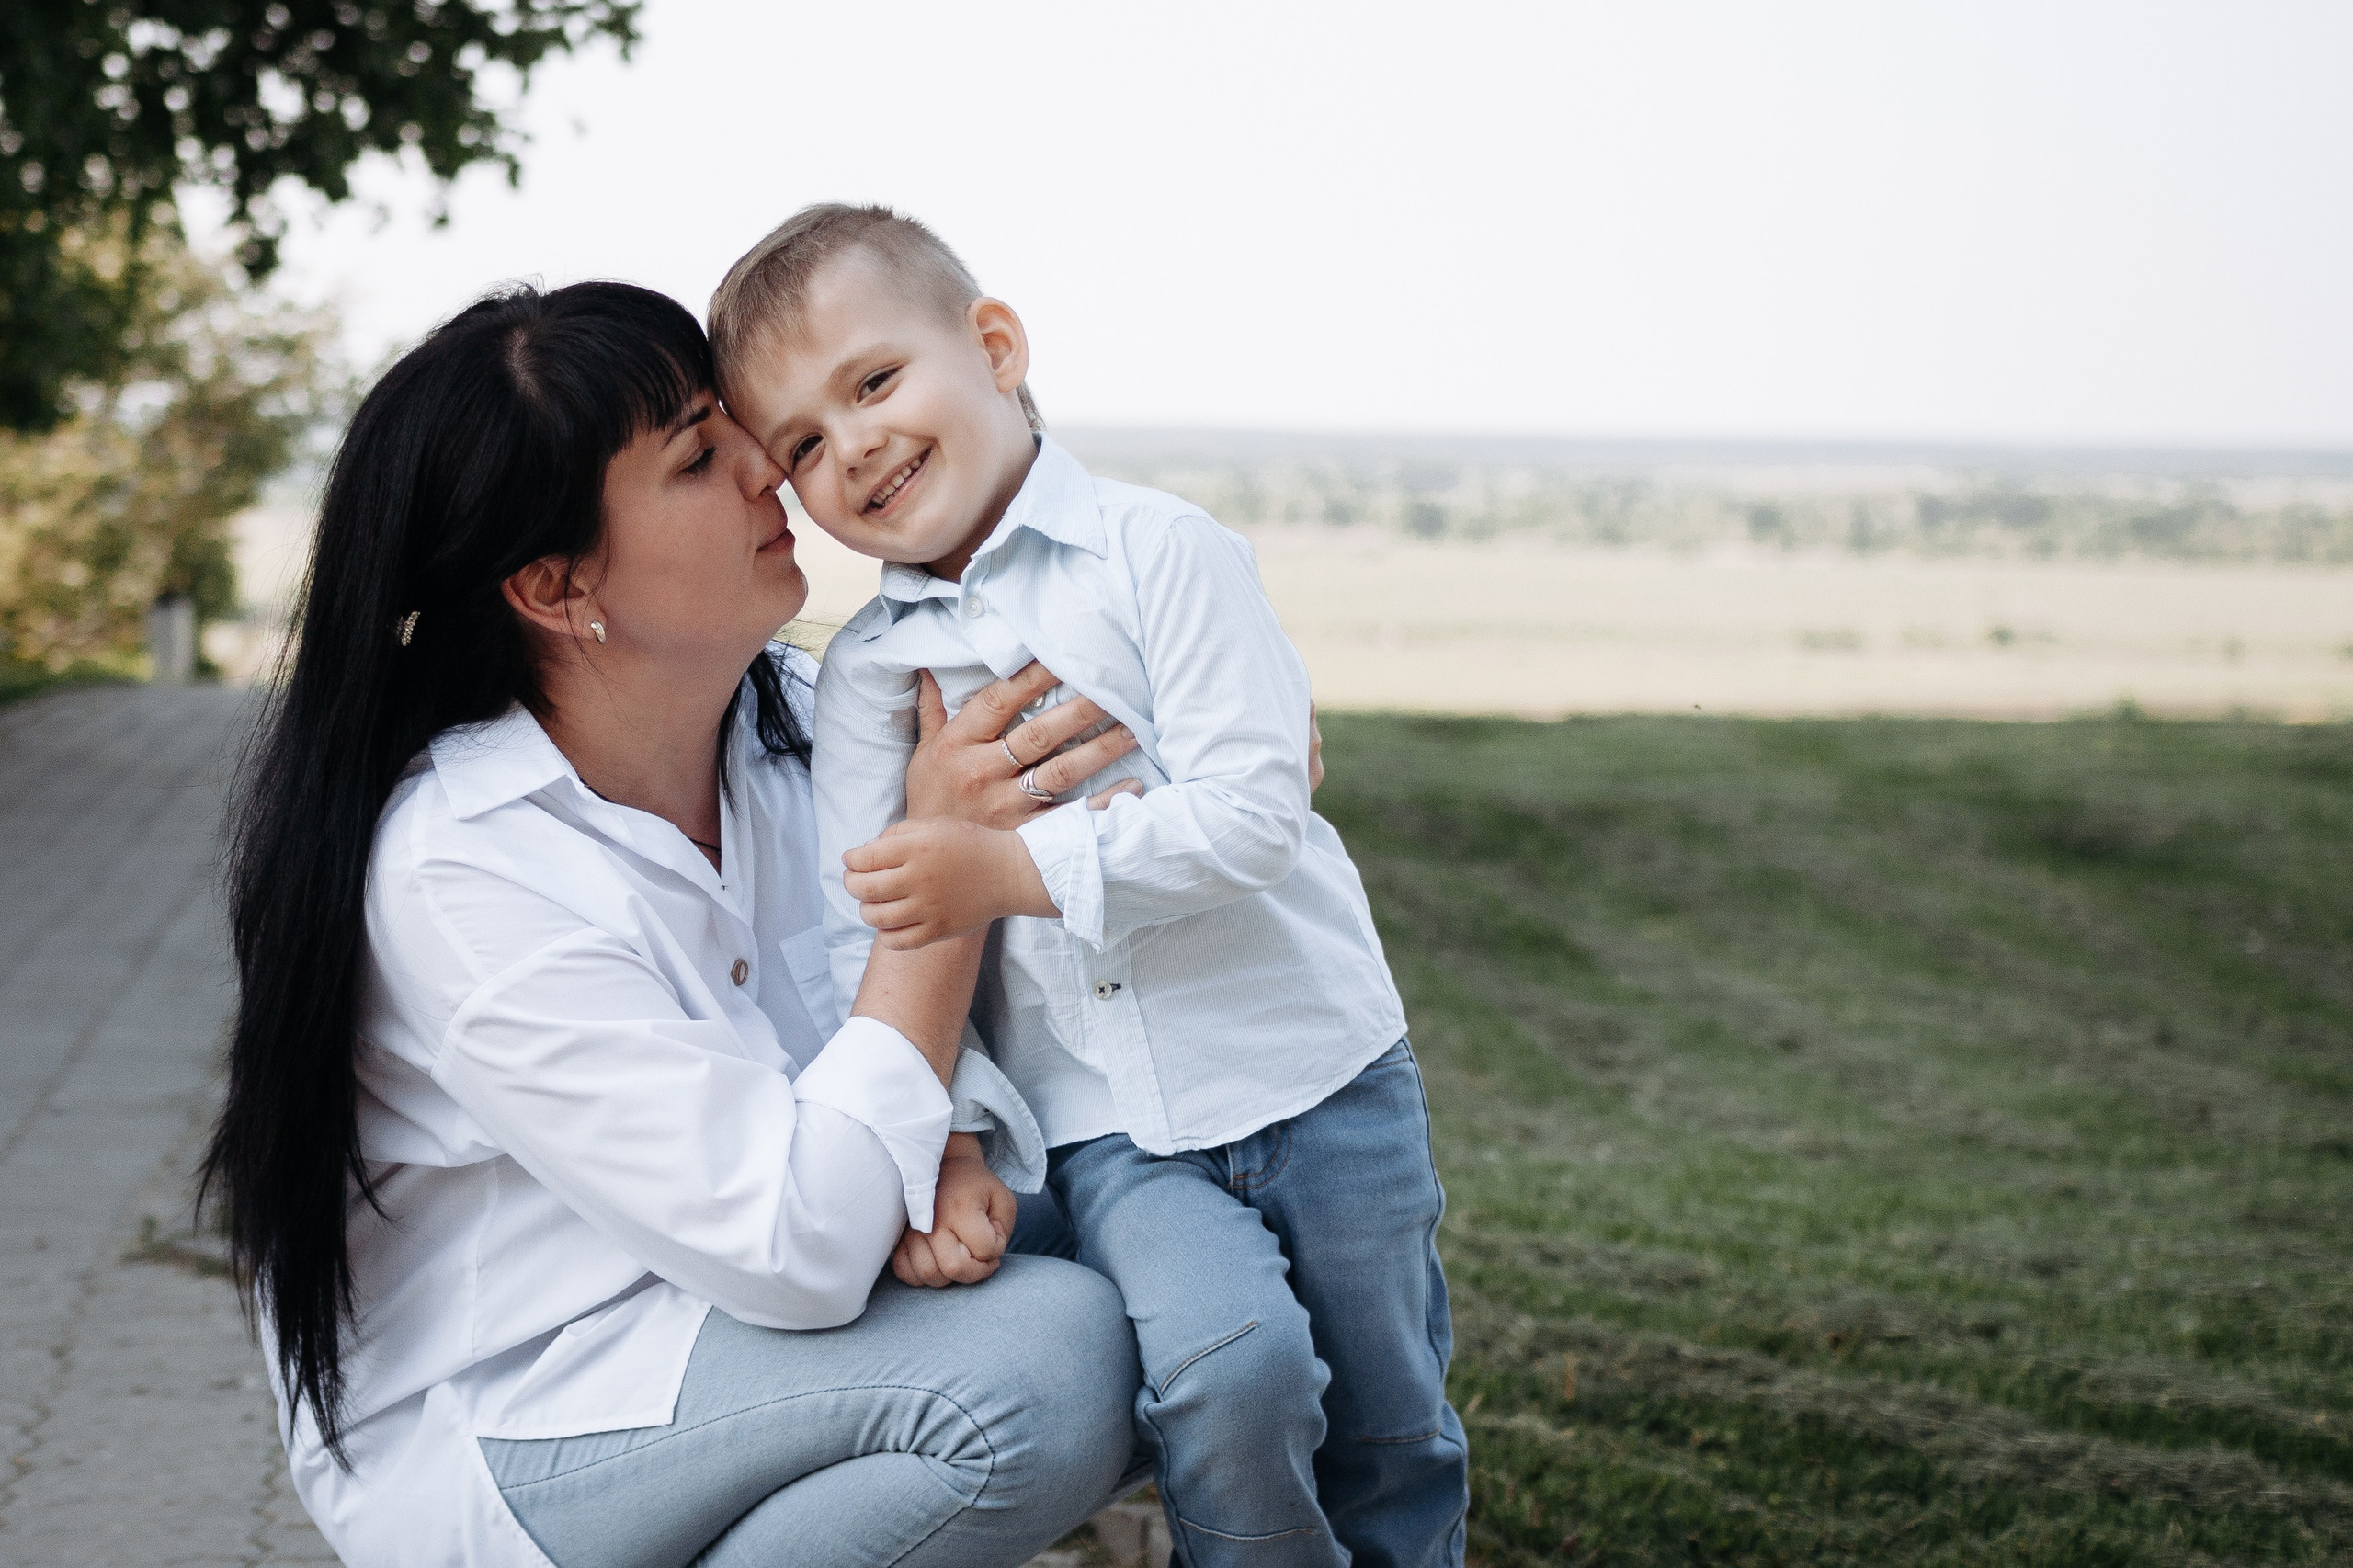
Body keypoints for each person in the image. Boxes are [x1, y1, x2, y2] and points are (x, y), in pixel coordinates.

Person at [199, 280, 1152, 1568]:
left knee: (1199, 1235)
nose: (772, 466)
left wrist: (1214, 725)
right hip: (532, 1405)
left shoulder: (802, 722)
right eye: (700, 457)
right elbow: (802, 1242)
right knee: (1046, 1365)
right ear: (552, 583)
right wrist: (941, 899)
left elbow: (1093, 786)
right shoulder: (467, 869)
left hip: (750, 1290)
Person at [709, 205, 1470, 1568]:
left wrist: (1007, 866)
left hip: (1320, 1068)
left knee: (1391, 1422)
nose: (857, 445)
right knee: (1230, 1377)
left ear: (993, 346)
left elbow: (1253, 815)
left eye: (875, 382)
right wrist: (941, 1132)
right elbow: (861, 923)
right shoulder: (872, 681)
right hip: (1109, 1123)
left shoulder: (1162, 551)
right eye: (805, 445)